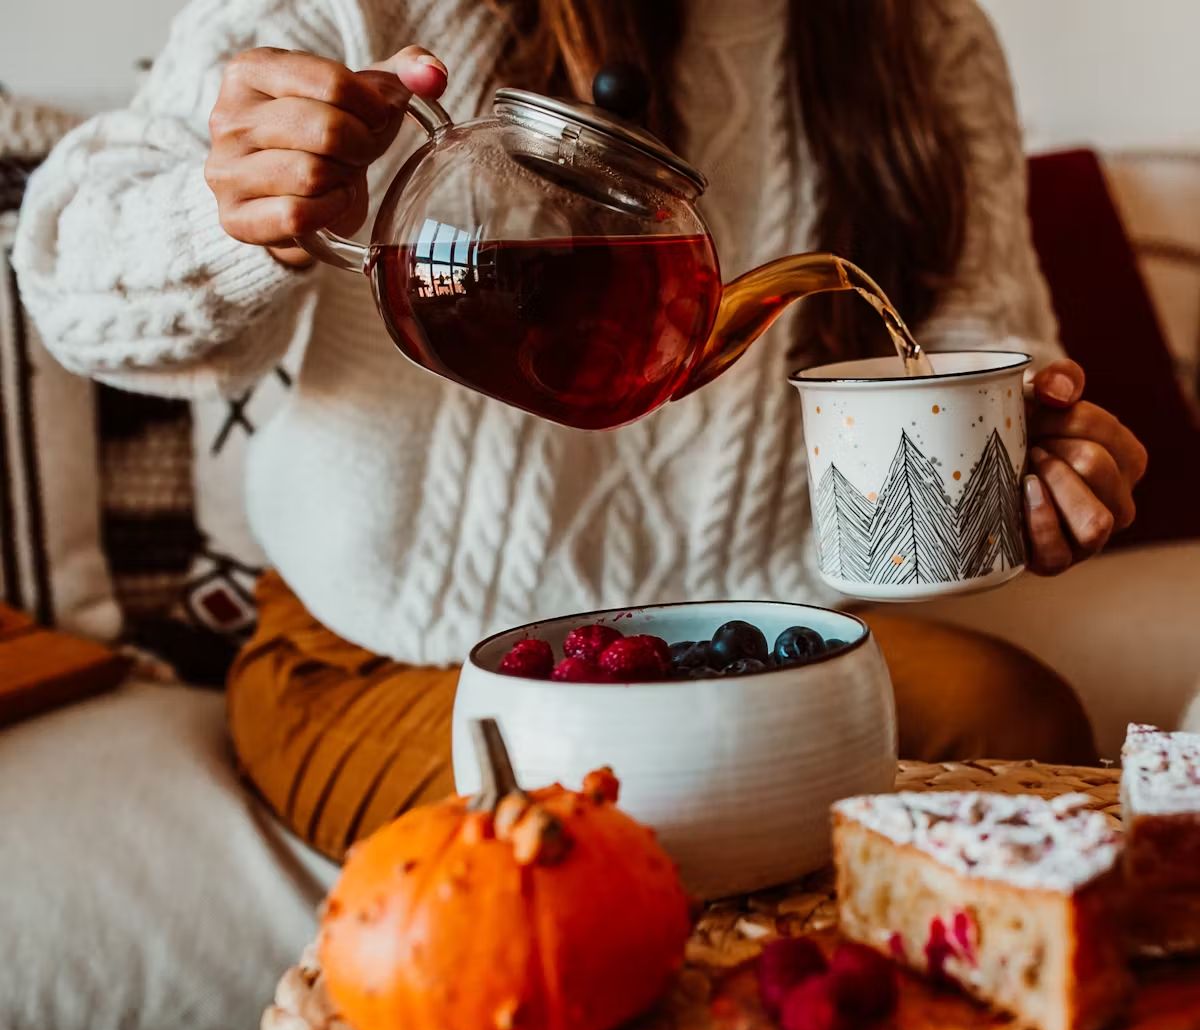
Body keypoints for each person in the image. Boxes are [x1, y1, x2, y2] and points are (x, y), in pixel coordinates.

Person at [15, 0, 1146, 862]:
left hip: (753, 641)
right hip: (397, 659)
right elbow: (70, 281)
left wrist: (1037, 446)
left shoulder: (918, 33)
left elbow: (980, 329)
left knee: (1021, 722)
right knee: (653, 831)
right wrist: (233, 213)